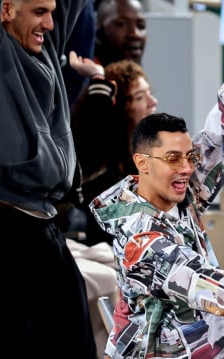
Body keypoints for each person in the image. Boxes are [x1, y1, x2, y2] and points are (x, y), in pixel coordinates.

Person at [89, 44, 224, 359]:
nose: (186, 168)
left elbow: (215, 145)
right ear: (142, 163)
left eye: (187, 157)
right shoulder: (142, 241)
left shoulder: (176, 196)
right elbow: (201, 283)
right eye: (172, 159)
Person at [0, 0, 97, 358]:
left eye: (52, 11)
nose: (50, 22)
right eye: (39, 12)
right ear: (6, 9)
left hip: (44, 227)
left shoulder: (44, 47)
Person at [63, 55, 158, 246]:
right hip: (99, 255)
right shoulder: (98, 153)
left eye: (149, 93)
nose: (152, 102)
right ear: (121, 106)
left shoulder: (141, 157)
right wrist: (99, 76)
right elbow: (97, 114)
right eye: (140, 97)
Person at [94, 0, 147, 67]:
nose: (135, 34)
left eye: (141, 25)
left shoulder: (137, 75)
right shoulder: (85, 74)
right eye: (121, 24)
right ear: (98, 29)